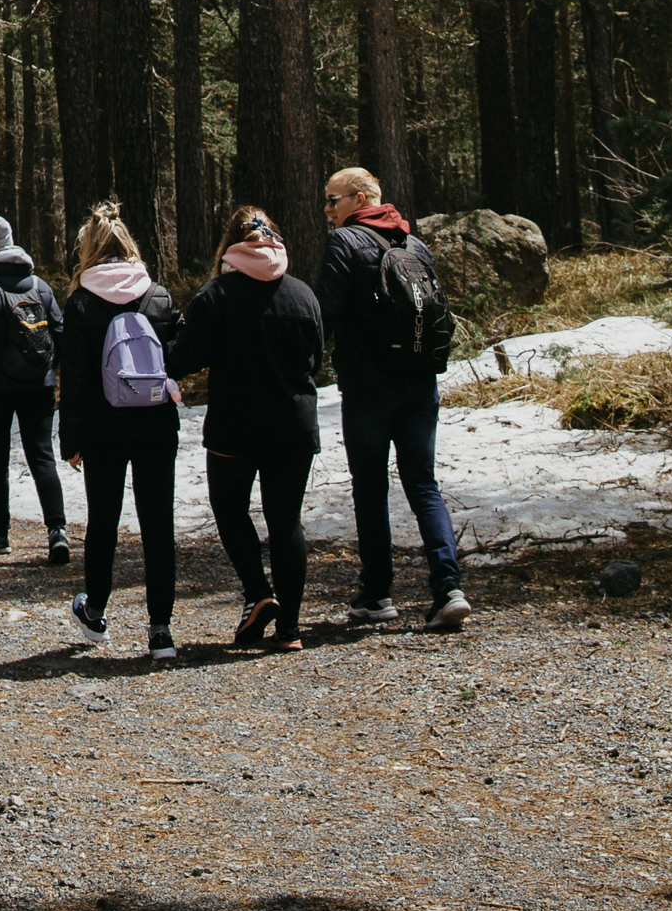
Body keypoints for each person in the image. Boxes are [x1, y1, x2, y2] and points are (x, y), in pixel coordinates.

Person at [313, 163, 468, 633]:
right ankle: (449, 588)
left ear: (360, 200)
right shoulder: (414, 244)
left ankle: (378, 592)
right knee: (424, 484)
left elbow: (326, 312)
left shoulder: (345, 243)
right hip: (421, 382)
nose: (327, 209)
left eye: (333, 199)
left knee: (371, 487)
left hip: (369, 386)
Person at [167, 202, 325, 651]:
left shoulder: (217, 294)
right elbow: (315, 357)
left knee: (232, 511)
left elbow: (182, 360)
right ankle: (290, 630)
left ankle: (258, 592)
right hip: (294, 425)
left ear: (231, 244)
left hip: (236, 426)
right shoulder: (303, 293)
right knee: (285, 522)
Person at [57, 199, 185, 660]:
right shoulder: (158, 295)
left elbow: (72, 379)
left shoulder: (82, 302)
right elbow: (179, 350)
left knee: (104, 522)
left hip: (102, 427)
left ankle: (95, 611)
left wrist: (69, 440)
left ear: (89, 248)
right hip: (155, 424)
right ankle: (161, 631)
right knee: (158, 523)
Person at [0, 213, 69, 564]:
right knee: (42, 455)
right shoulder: (40, 285)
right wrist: (49, 369)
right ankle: (57, 531)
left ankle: (0, 534)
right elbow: (61, 334)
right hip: (40, 385)